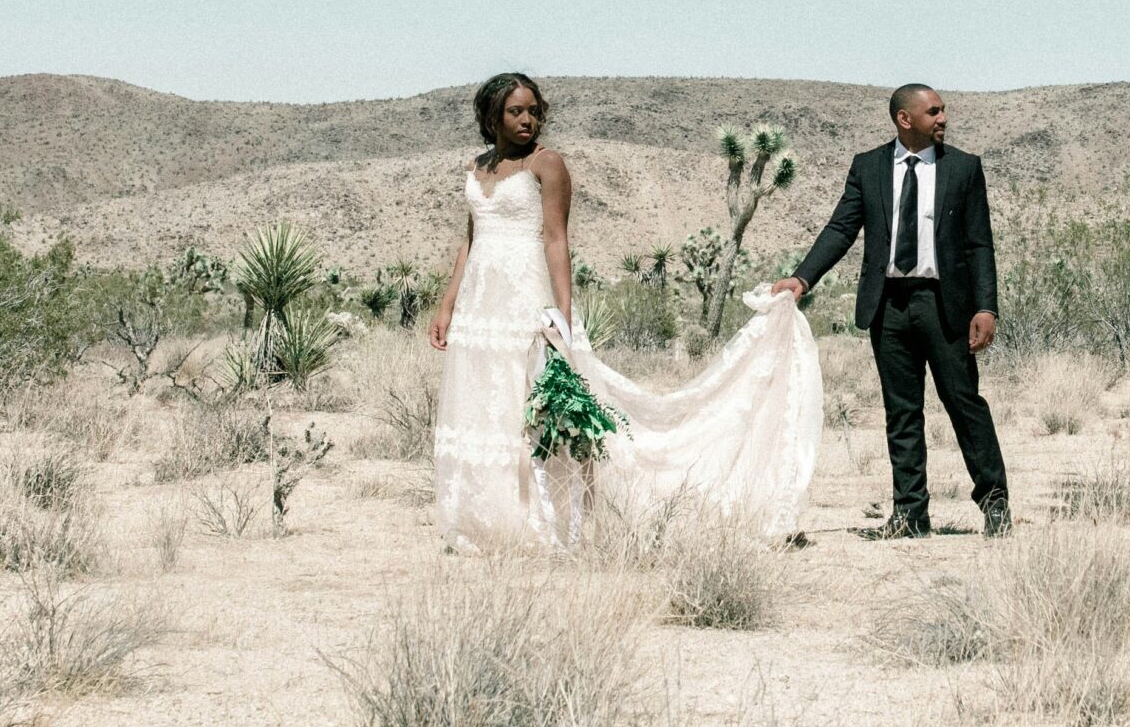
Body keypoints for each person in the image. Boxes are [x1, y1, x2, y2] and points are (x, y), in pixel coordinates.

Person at [429, 72, 823, 553]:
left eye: (533, 109)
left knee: (528, 406)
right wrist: (448, 305)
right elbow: (470, 238)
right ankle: (484, 519)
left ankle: (540, 523)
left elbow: (556, 240)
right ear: (492, 115)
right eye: (516, 111)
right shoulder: (477, 166)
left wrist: (563, 318)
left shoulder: (547, 164)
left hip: (524, 301)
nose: (527, 119)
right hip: (478, 306)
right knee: (483, 407)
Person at [773, 84, 1009, 539]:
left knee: (964, 404)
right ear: (905, 119)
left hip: (945, 306)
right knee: (901, 412)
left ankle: (995, 504)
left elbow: (980, 243)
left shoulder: (964, 168)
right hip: (889, 306)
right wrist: (802, 279)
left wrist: (986, 306)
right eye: (934, 112)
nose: (943, 119)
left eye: (943, 111)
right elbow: (841, 228)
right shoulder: (869, 167)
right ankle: (910, 515)